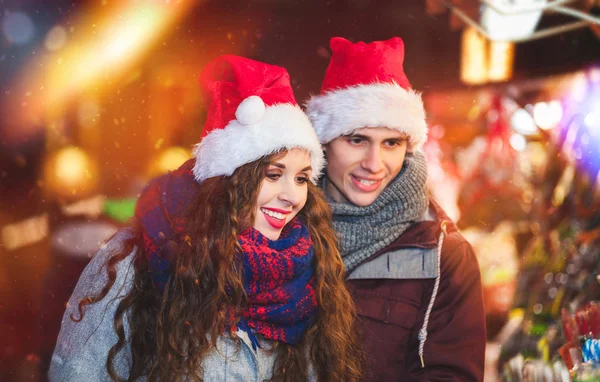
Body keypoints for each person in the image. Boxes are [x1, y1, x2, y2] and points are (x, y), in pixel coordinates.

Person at [49, 55, 362, 382]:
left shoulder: (307, 268)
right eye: (272, 175)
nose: (292, 195)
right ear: (230, 178)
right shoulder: (139, 258)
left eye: (301, 178)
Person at [305, 36, 486, 381]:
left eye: (391, 143)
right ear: (325, 142)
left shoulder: (444, 255)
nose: (374, 164)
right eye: (357, 140)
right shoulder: (281, 229)